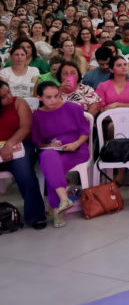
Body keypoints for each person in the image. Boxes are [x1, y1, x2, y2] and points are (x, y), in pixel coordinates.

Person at [31, 82, 91, 228]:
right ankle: (64, 200)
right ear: (39, 97)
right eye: (48, 97)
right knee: (48, 157)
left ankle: (57, 208)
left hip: (76, 149)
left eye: (56, 96)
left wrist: (75, 144)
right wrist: (50, 145)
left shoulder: (73, 108)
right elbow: (38, 143)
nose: (54, 100)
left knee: (50, 165)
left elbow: (85, 132)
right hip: (54, 152)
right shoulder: (37, 116)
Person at [0, 78, 46, 229]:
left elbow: (25, 128)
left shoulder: (18, 102)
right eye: (3, 96)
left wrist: (8, 145)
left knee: (24, 172)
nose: (9, 96)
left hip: (20, 144)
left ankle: (36, 216)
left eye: (8, 92)